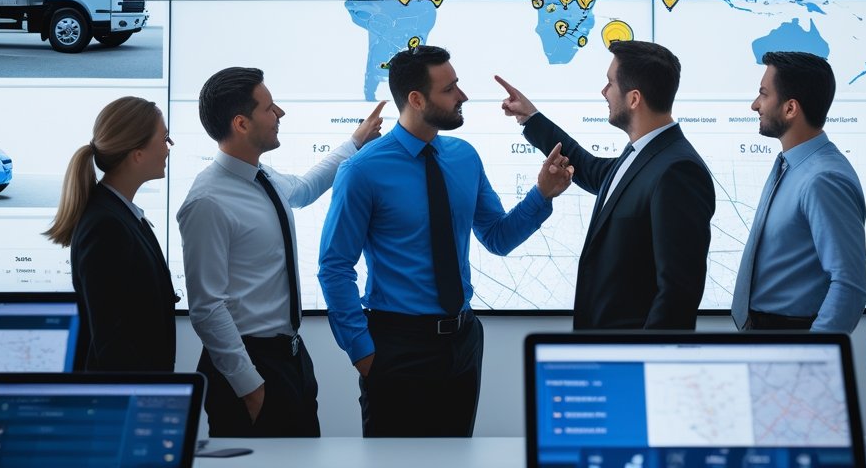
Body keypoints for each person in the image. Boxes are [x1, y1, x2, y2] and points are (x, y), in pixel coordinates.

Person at [319, 45, 573, 437]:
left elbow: (497, 237)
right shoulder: (361, 171)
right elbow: (334, 267)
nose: (462, 96)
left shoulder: (464, 157)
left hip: (463, 343)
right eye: (450, 88)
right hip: (397, 347)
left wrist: (541, 195)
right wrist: (362, 352)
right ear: (417, 100)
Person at [177, 66, 385, 438]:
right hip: (249, 367)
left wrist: (355, 142)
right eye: (269, 107)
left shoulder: (263, 178)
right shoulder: (207, 201)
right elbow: (207, 307)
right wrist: (249, 386)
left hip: (290, 360)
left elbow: (305, 188)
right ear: (241, 124)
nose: (280, 114)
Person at [497, 39, 714, 330]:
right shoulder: (641, 154)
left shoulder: (677, 170)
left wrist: (648, 362)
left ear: (634, 98)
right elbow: (587, 168)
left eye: (610, 83)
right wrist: (531, 119)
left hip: (632, 359)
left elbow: (678, 291)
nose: (604, 92)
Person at [730, 51, 866, 332]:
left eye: (764, 94)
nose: (755, 105)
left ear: (790, 108)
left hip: (792, 337)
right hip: (769, 333)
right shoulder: (792, 166)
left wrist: (814, 354)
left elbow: (849, 284)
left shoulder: (823, 179)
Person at [45, 96, 177, 371]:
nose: (168, 148)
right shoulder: (105, 226)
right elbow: (111, 341)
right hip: (127, 399)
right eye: (164, 139)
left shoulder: (119, 215)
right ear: (137, 154)